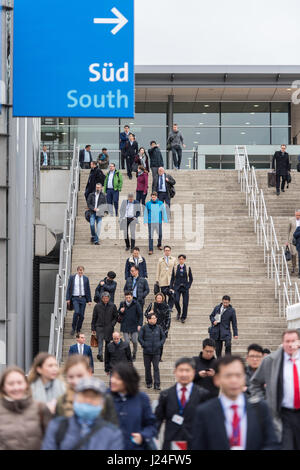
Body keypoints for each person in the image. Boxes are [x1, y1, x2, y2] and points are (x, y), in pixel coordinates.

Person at [191, 355, 280, 450]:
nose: (234, 380)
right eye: (228, 376)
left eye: (238, 375)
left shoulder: (260, 409)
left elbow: (272, 444)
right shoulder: (204, 412)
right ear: (217, 379)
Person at [249, 329, 300, 449]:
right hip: (284, 414)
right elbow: (255, 383)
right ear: (282, 343)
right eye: (287, 341)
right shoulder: (270, 361)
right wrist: (264, 402)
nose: (290, 344)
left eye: (293, 341)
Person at [42, 377, 124, 450]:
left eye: (93, 397)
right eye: (84, 395)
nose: (88, 400)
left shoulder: (112, 434)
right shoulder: (57, 426)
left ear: (102, 403)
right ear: (75, 397)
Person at [155, 357, 210, 450]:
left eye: (187, 370)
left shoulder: (203, 395)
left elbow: (208, 423)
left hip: (195, 443)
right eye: (181, 370)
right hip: (171, 443)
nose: (184, 374)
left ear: (193, 372)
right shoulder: (166, 395)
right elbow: (157, 420)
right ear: (175, 372)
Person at [55, 355, 118, 425]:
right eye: (71, 377)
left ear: (89, 372)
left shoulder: (105, 399)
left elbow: (113, 428)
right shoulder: (61, 401)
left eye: (80, 376)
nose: (75, 381)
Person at [0, 366, 52, 450]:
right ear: (3, 387)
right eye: (11, 384)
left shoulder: (41, 408)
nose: (16, 388)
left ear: (26, 385)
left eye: (19, 383)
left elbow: (51, 440)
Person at [110, 363, 157, 450]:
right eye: (112, 377)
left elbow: (151, 426)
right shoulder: (105, 397)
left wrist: (142, 436)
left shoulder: (142, 398)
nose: (113, 380)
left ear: (128, 380)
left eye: (118, 378)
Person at [138, 313, 166, 390]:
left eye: (155, 318)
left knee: (156, 368)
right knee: (147, 368)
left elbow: (163, 337)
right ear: (148, 319)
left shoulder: (159, 328)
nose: (154, 320)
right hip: (147, 352)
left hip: (156, 352)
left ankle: (157, 384)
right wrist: (144, 345)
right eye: (153, 318)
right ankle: (149, 382)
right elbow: (140, 338)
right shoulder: (144, 328)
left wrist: (160, 344)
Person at [91, 291, 118, 363]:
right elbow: (94, 317)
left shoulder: (113, 306)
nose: (105, 299)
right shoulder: (97, 306)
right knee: (100, 341)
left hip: (109, 327)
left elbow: (116, 317)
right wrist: (93, 328)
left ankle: (107, 355)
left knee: (108, 342)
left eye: (107, 298)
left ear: (109, 298)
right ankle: (100, 355)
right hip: (99, 326)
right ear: (102, 298)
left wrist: (112, 324)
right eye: (104, 298)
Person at [66, 266, 92, 336]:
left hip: (83, 298)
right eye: (79, 271)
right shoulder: (72, 277)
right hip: (75, 298)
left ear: (83, 271)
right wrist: (68, 298)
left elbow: (88, 289)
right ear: (77, 271)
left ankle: (78, 329)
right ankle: (73, 328)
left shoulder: (86, 279)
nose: (80, 272)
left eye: (82, 270)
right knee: (77, 312)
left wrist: (89, 300)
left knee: (82, 315)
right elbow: (69, 288)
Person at [144, 293, 171, 361]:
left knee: (160, 344)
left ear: (162, 299)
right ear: (156, 298)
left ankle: (159, 357)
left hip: (162, 327)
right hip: (152, 327)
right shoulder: (152, 305)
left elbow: (168, 318)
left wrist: (166, 328)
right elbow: (146, 313)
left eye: (160, 298)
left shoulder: (166, 306)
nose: (159, 299)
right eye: (157, 298)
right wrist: (149, 313)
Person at [118, 292, 143, 362]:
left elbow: (140, 315)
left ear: (132, 297)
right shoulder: (122, 303)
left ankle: (134, 353)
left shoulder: (136, 304)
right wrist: (121, 311)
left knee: (135, 341)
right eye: (126, 297)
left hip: (134, 325)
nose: (128, 299)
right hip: (125, 325)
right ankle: (128, 355)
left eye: (129, 297)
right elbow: (119, 313)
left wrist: (140, 324)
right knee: (126, 342)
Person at [170, 254, 193, 324]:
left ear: (184, 260)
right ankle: (179, 312)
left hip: (185, 288)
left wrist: (188, 286)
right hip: (177, 287)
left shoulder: (188, 268)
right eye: (180, 259)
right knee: (176, 300)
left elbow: (191, 279)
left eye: (182, 259)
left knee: (185, 303)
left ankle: (183, 317)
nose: (181, 260)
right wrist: (171, 287)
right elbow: (172, 278)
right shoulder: (175, 268)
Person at [156, 245, 177, 310]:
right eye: (166, 250)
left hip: (171, 280)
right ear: (164, 251)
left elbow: (176, 269)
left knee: (172, 295)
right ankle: (164, 307)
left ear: (170, 251)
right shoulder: (160, 260)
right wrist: (157, 279)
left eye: (168, 250)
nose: (167, 252)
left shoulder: (174, 259)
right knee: (163, 295)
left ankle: (170, 307)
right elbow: (158, 270)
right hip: (163, 280)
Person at [287, 210, 300, 274]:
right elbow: (288, 231)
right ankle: (293, 267)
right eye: (297, 215)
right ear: (295, 214)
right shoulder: (291, 220)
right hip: (293, 240)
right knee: (293, 254)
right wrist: (287, 241)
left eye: (299, 215)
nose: (298, 216)